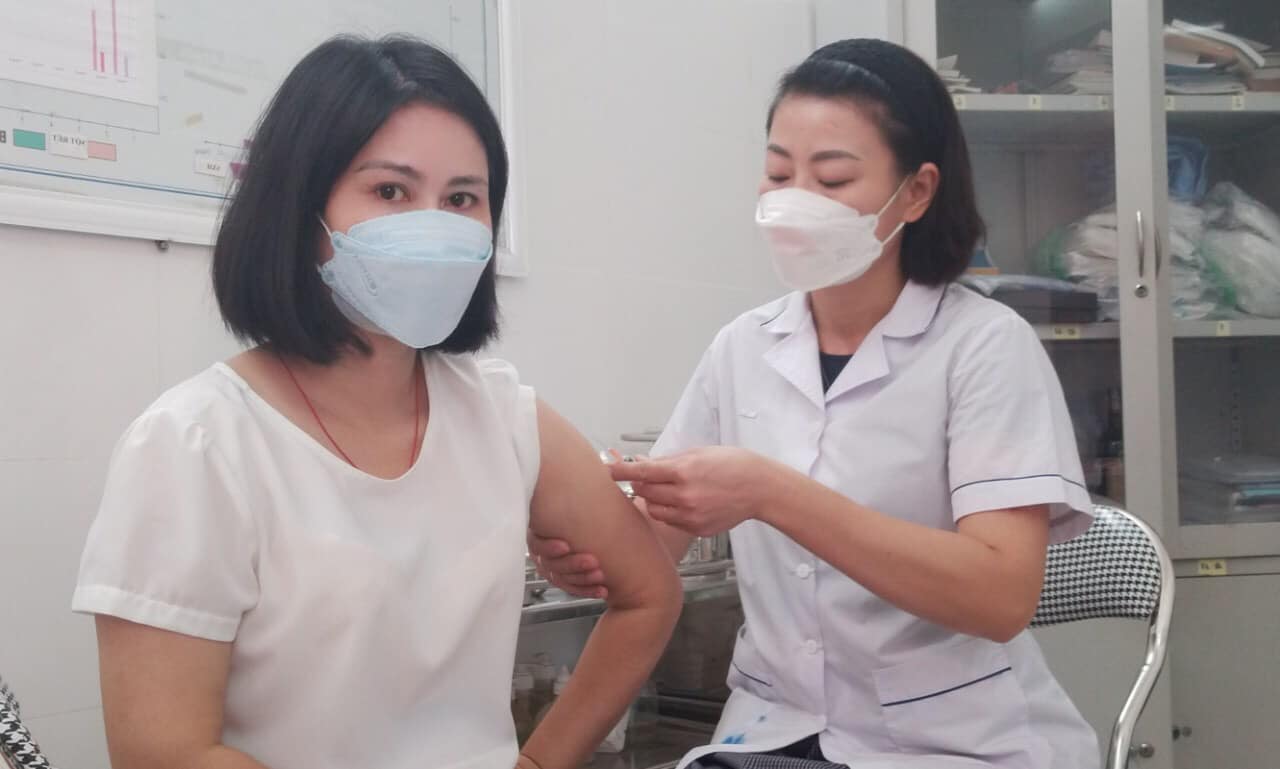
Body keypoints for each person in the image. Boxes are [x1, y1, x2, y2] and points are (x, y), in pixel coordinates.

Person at [71, 36, 682, 769]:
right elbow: (161, 752)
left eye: (462, 199)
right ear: (301, 210)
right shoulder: (195, 444)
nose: (434, 225)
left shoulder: (502, 416)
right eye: (391, 192)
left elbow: (649, 595)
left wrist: (537, 761)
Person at [530, 39, 1099, 769]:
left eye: (831, 178)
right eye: (778, 174)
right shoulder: (743, 347)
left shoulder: (985, 346)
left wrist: (771, 494)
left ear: (917, 192)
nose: (794, 201)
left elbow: (1000, 596)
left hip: (952, 743)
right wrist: (580, 555)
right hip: (774, 730)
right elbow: (648, 552)